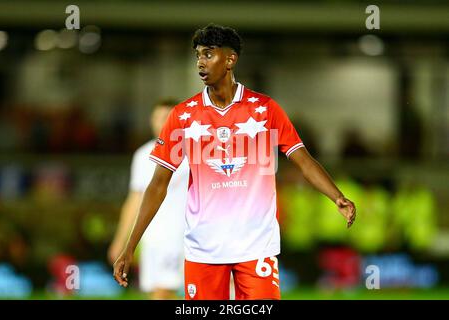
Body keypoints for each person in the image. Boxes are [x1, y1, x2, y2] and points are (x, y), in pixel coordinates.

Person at [113, 24, 356, 300]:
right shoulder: (182, 116)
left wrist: (337, 196)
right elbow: (157, 185)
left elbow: (302, 159)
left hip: (256, 248)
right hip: (203, 249)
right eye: (198, 56)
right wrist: (130, 246)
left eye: (208, 55)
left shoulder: (265, 110)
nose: (200, 63)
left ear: (230, 60)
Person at [109, 99, 189, 299]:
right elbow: (134, 201)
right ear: (151, 121)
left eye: (168, 118)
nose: (163, 123)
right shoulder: (143, 156)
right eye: (159, 118)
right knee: (160, 291)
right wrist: (121, 241)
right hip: (156, 237)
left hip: (188, 234)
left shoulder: (194, 154)